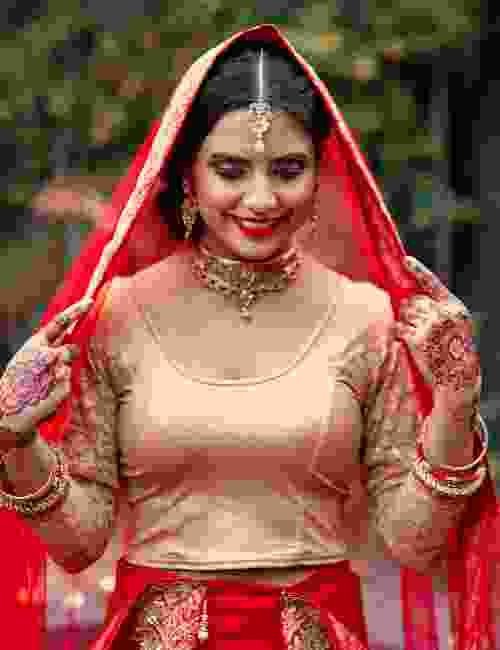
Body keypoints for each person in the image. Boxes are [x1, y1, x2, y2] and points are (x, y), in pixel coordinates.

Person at [0, 24, 498, 650]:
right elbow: (79, 543)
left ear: (319, 176)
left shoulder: (366, 317)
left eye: (287, 170)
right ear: (188, 176)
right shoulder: (119, 313)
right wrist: (18, 442)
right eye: (230, 170)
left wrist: (453, 407)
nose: (261, 199)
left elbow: (415, 543)